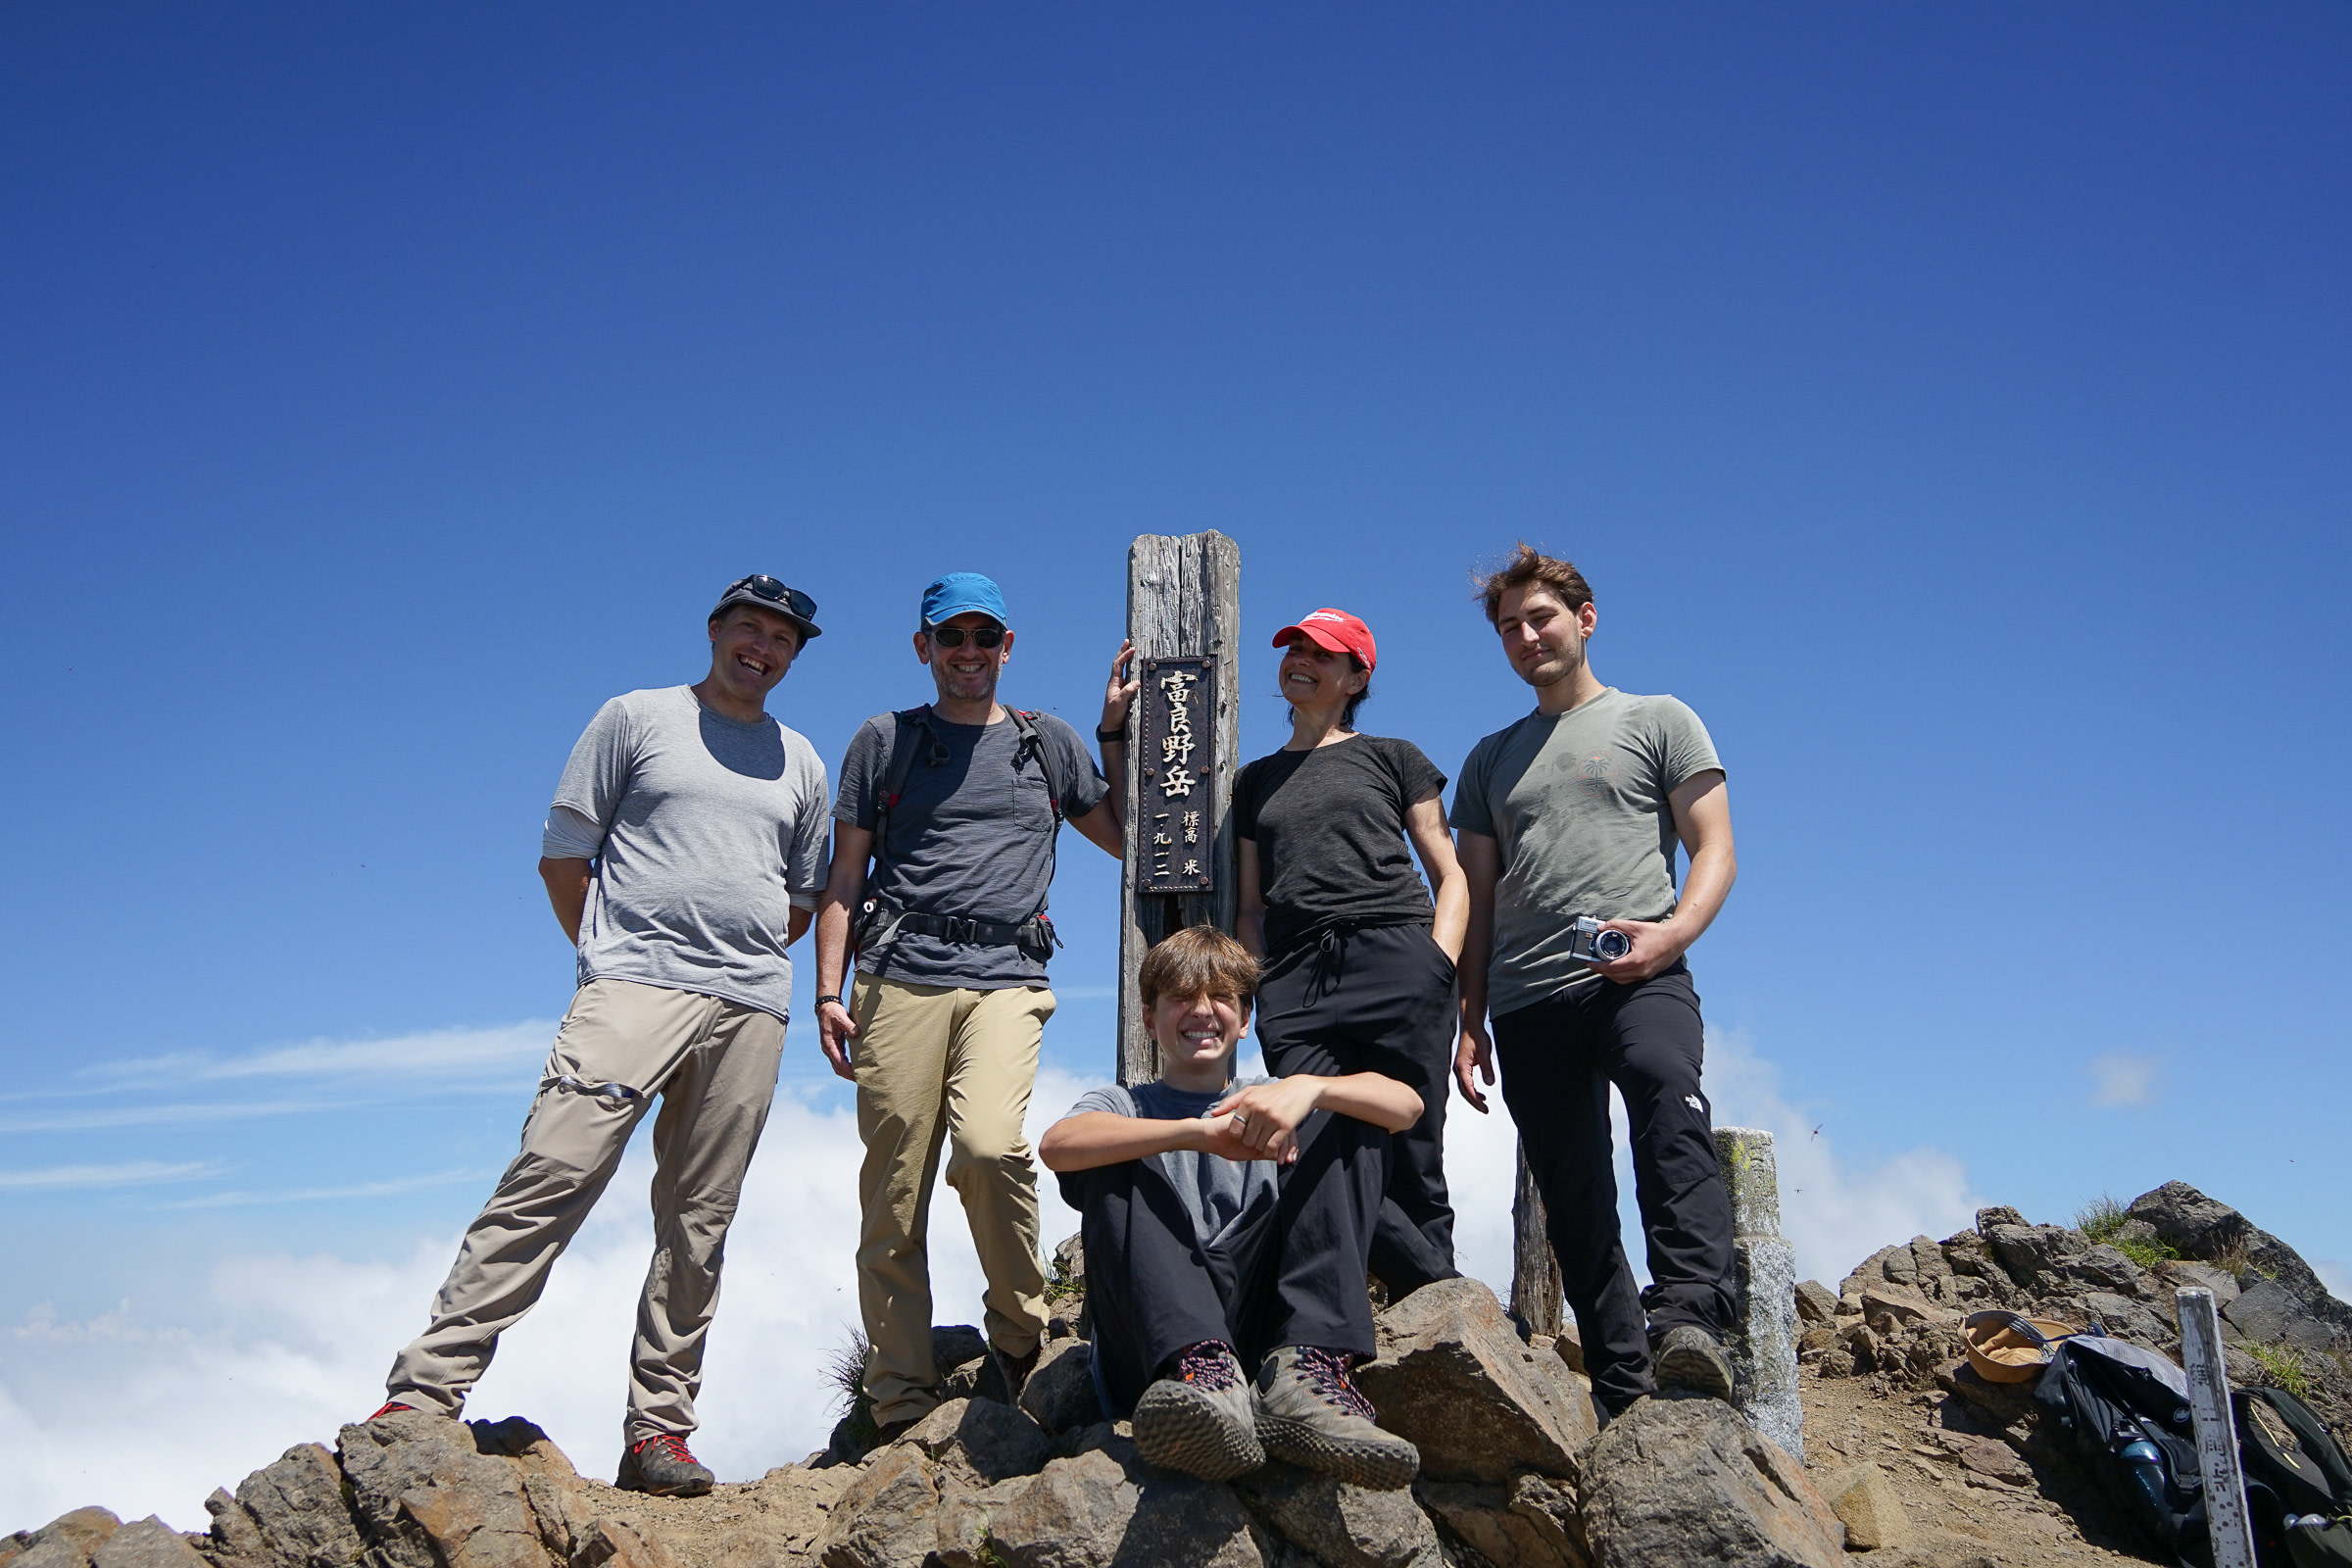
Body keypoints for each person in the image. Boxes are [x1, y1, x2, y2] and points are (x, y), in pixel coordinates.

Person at [373, 575, 832, 1497]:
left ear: (793, 656)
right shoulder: (635, 718)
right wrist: (610, 956)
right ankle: (425, 1394)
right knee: (553, 1172)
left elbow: (799, 896)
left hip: (747, 1004)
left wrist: (731, 954)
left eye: (782, 639)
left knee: (700, 1221)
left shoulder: (803, 763)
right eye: (750, 628)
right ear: (716, 631)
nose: (763, 648)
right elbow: (562, 853)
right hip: (632, 990)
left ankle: (658, 1431)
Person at [813, 571, 1125, 1442]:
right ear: (924, 648)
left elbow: (1132, 838)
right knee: (896, 1191)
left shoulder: (1047, 743)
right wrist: (828, 992)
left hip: (1008, 975)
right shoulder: (886, 741)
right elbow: (845, 878)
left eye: (985, 638)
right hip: (898, 974)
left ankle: (1020, 1337)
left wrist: (1111, 731)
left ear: (1007, 648)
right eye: (952, 638)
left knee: (990, 1150)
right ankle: (900, 1397)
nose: (969, 653)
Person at [1449, 545, 1740, 1419]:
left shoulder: (1659, 719)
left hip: (1639, 972)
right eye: (1508, 627)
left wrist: (1674, 935)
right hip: (1527, 997)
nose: (1526, 636)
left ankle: (1691, 1319)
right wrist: (1468, 1022)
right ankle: (1624, 1383)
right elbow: (1472, 897)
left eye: (1539, 617)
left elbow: (1715, 847)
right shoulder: (1490, 759)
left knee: (1664, 1093)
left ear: (1585, 618)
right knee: (1572, 1189)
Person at [1039, 925, 1423, 1490]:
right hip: (1155, 1347)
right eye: (1180, 999)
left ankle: (1305, 1371)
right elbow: (1056, 1145)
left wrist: (1312, 1090)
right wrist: (1194, 1134)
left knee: (1351, 1121)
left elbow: (1406, 1107)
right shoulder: (1123, 1102)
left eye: (1221, 998)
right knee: (1111, 1155)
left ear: (1245, 1019)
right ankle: (1202, 1376)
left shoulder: (1274, 1097)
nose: (1202, 1011)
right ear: (1149, 1019)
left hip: (1258, 1321)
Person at [1224, 608, 1467, 1300]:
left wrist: (1436, 966)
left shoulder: (1394, 756)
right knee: (1311, 1137)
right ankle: (1412, 1295)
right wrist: (1260, 985)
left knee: (1414, 1148)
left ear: (1356, 676)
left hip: (1396, 953)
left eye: (1321, 654)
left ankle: (1437, 1322)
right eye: (1294, 648)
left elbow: (1449, 872)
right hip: (1295, 973)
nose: (1300, 660)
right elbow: (1249, 905)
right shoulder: (1253, 781)